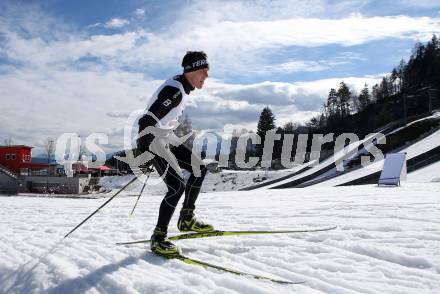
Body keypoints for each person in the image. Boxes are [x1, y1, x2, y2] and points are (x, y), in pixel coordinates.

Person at [137, 51, 213, 256]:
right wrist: (144, 150)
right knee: (176, 187)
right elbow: (145, 122)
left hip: (165, 137)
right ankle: (158, 237)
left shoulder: (180, 87)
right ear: (193, 70)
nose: (206, 75)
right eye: (204, 71)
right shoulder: (175, 91)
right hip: (154, 140)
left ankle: (187, 218)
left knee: (199, 168)